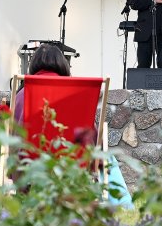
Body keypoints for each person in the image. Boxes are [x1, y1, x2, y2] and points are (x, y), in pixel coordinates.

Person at [14, 44, 133, 209]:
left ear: (33, 65)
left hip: (32, 162)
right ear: (63, 64)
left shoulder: (23, 94)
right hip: (73, 161)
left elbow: (15, 136)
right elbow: (91, 136)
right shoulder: (75, 92)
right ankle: (124, 205)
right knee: (105, 154)